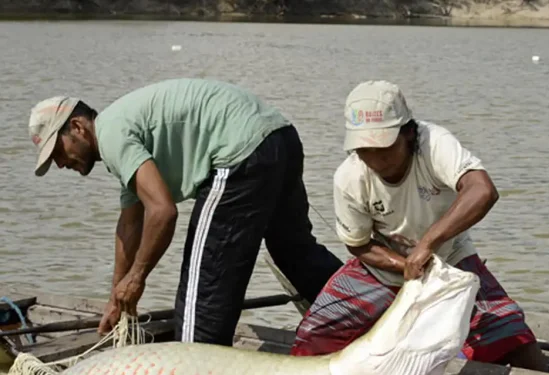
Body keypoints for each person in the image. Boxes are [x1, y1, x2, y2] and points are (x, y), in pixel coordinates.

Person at [27, 78, 343, 346]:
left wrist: (137, 278)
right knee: (296, 253)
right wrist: (116, 297)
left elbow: (163, 212)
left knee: (201, 294)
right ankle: (369, 310)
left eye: (58, 151)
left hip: (240, 153)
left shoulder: (111, 135)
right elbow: (130, 224)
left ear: (78, 127)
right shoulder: (121, 131)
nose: (60, 163)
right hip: (280, 137)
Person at [289, 80, 547, 371]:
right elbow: (358, 244)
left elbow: (482, 190)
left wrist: (428, 245)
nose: (375, 160)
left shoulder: (434, 144)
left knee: (512, 337)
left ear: (408, 134)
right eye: (364, 149)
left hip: (449, 259)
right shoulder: (349, 176)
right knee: (313, 335)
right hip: (382, 266)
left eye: (384, 148)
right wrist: (404, 265)